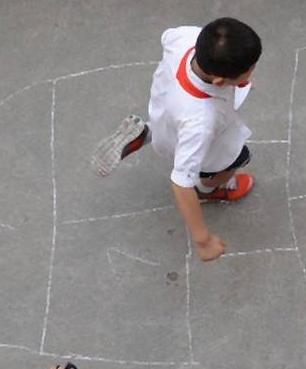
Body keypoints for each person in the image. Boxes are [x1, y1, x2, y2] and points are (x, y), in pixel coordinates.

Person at [91, 19, 261, 262]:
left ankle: (148, 133)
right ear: (220, 82)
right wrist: (203, 241)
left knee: (170, 132)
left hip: (167, 111)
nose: (252, 72)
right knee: (238, 157)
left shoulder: (187, 38)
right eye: (250, 70)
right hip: (195, 137)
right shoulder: (201, 121)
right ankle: (208, 189)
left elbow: (166, 36)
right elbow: (181, 182)